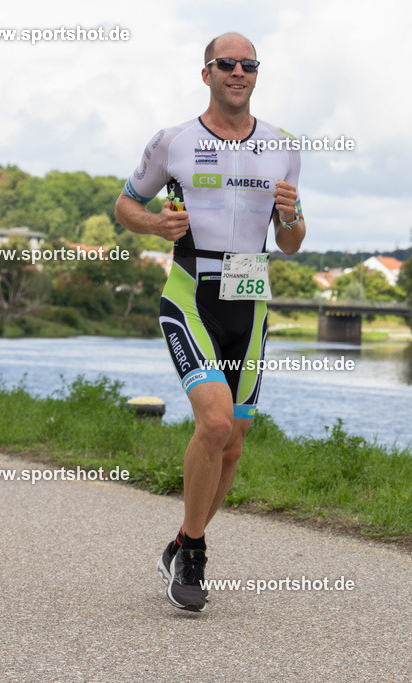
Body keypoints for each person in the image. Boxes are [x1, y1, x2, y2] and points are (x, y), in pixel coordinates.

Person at [115, 32, 307, 611]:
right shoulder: (172, 141)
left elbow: (292, 243)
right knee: (216, 423)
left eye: (249, 65)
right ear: (207, 74)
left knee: (235, 440)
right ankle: (195, 553)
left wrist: (292, 219)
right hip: (191, 292)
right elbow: (126, 204)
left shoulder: (282, 145)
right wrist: (154, 227)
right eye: (227, 64)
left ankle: (179, 540)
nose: (238, 72)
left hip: (250, 298)